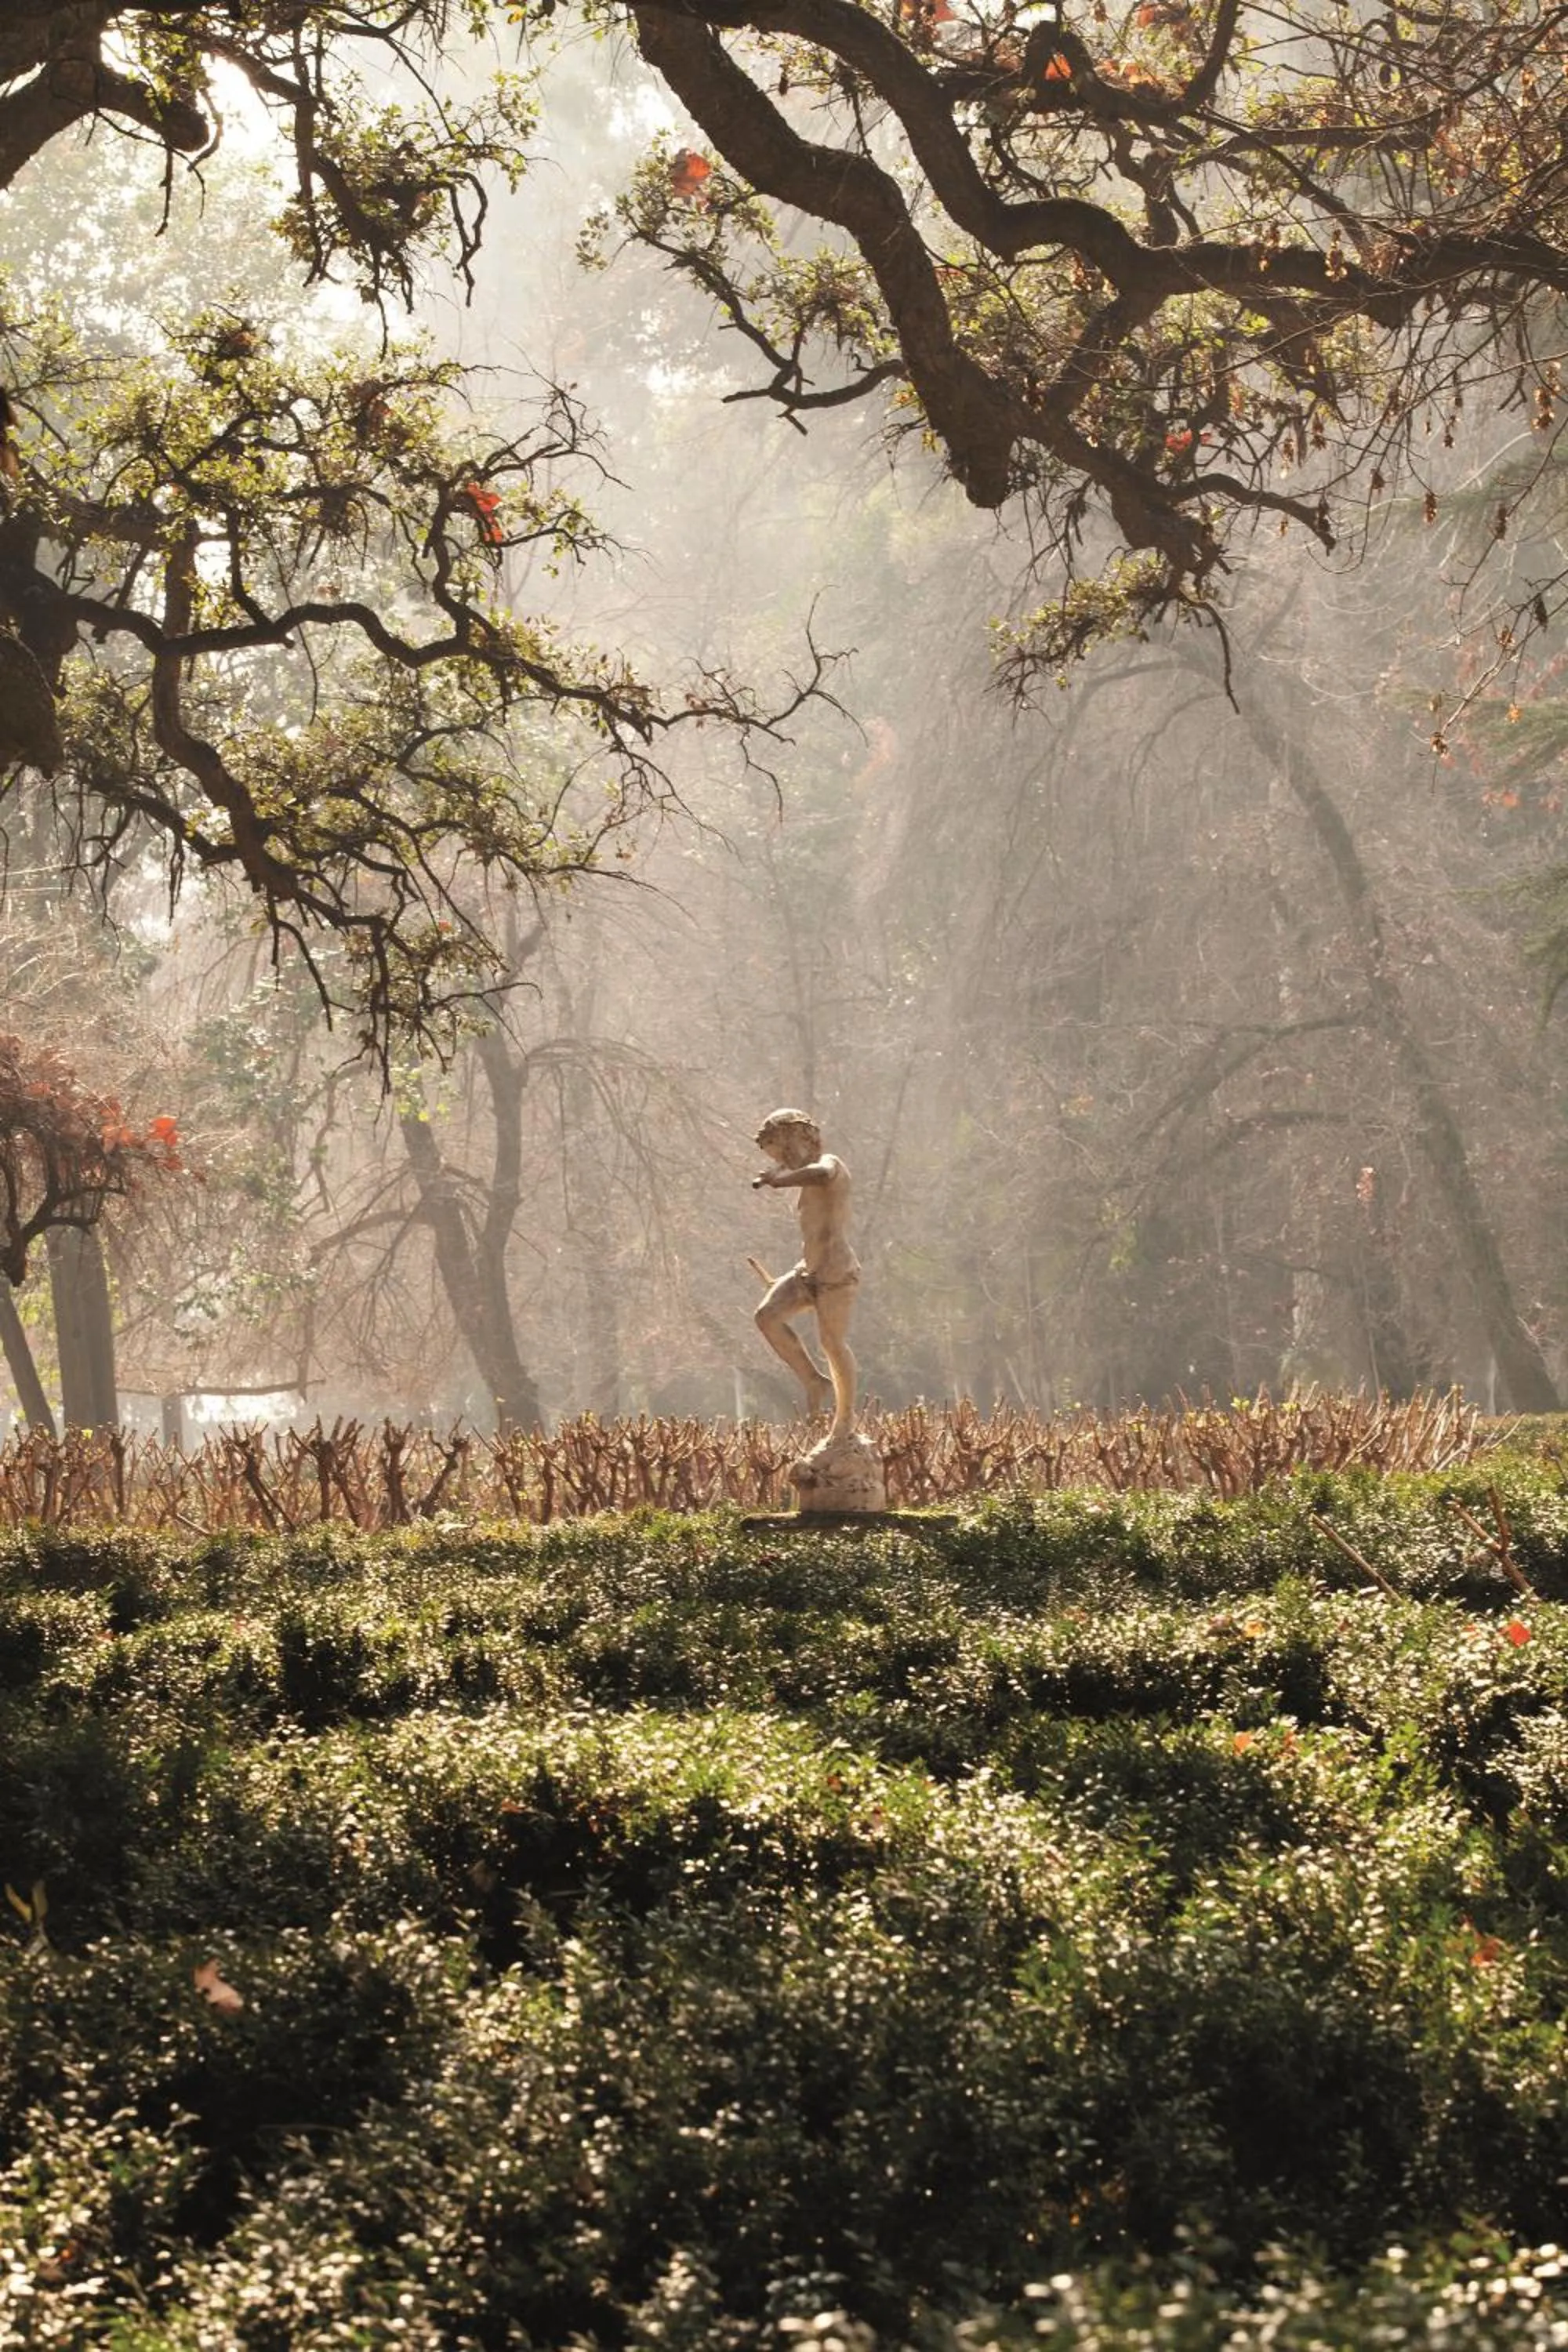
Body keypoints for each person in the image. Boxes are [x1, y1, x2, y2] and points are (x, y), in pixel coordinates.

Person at [750, 1108, 860, 1438]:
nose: (784, 1160)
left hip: (836, 1274)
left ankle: (845, 1419)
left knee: (832, 1343)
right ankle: (814, 1381)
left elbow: (821, 1174)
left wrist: (780, 1179)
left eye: (785, 1151)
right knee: (767, 1317)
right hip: (806, 1272)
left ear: (802, 1138)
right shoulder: (803, 1174)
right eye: (778, 1156)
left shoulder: (831, 1165)